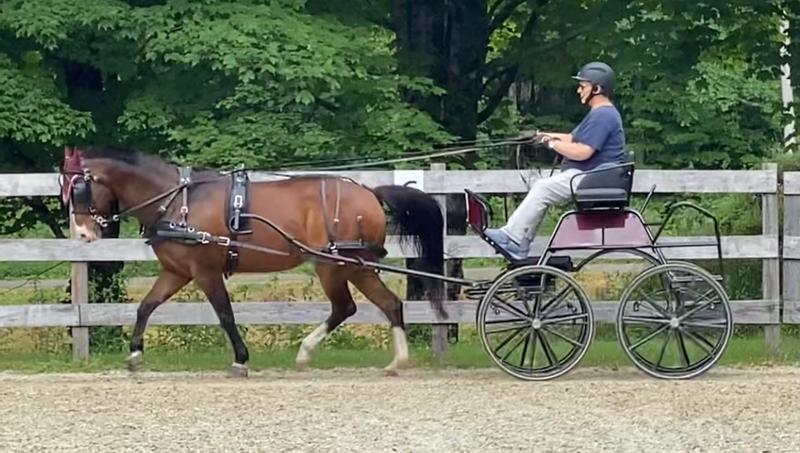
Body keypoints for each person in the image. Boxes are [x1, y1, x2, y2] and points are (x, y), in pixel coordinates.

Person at [484, 61, 627, 260]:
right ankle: (520, 242)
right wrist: (540, 135)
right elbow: (572, 139)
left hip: (591, 177)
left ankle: (513, 239)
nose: (578, 90)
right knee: (542, 187)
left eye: (582, 86)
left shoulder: (604, 115)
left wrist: (551, 144)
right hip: (590, 176)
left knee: (543, 187)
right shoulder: (600, 114)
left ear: (597, 89)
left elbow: (582, 151)